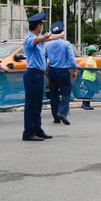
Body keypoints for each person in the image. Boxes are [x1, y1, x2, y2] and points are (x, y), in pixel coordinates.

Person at [21, 13, 57, 141]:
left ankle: (38, 130)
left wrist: (56, 36)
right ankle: (28, 133)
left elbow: (45, 40)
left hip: (38, 75)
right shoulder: (29, 39)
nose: (42, 26)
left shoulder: (39, 40)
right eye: (41, 24)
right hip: (32, 74)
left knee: (37, 105)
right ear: (38, 26)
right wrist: (44, 37)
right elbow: (35, 41)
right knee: (31, 105)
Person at [45, 22, 76, 126]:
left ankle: (56, 117)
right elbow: (71, 59)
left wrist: (46, 70)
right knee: (66, 93)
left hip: (52, 71)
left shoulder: (47, 44)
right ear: (61, 32)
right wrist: (74, 70)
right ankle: (62, 112)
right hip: (63, 71)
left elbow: (44, 58)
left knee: (54, 94)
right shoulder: (66, 44)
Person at [79, 44, 99, 110]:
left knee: (90, 91)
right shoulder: (90, 59)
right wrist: (96, 71)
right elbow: (90, 66)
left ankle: (86, 104)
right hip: (88, 78)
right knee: (90, 91)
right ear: (93, 52)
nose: (96, 53)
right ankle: (85, 104)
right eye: (95, 52)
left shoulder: (91, 59)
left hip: (90, 78)